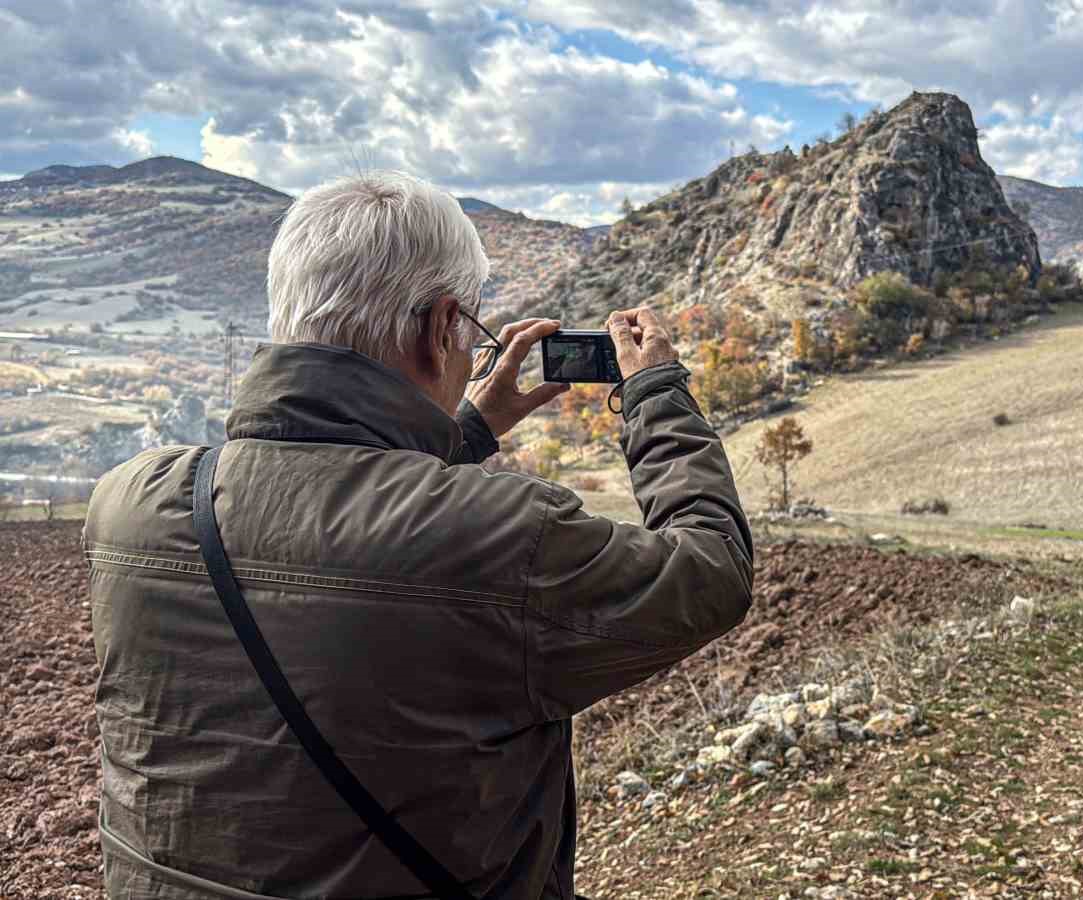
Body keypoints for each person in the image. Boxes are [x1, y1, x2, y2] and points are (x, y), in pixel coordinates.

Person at [83, 171, 754, 899]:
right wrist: (655, 391)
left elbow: (335, 518)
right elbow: (711, 569)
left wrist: (463, 431)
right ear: (441, 329)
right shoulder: (504, 535)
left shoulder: (130, 504)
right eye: (469, 334)